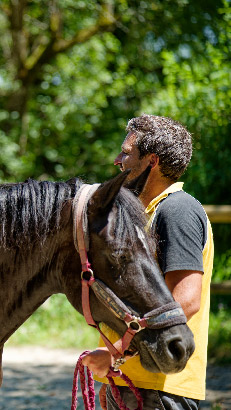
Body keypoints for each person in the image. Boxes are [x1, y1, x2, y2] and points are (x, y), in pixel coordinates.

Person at [82, 114, 214, 409]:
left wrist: (116, 354)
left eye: (126, 153)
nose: (118, 160)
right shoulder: (146, 213)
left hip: (159, 387)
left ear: (151, 161)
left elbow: (185, 300)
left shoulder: (177, 210)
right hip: (135, 382)